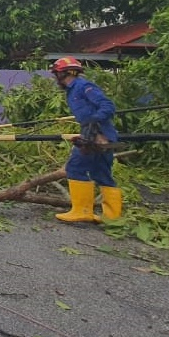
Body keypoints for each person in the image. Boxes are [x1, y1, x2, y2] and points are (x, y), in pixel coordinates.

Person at [50, 56, 122, 223]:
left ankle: (81, 211)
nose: (54, 78)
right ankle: (112, 217)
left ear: (63, 73)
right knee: (101, 173)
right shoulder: (72, 90)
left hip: (97, 135)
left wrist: (92, 122)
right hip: (96, 134)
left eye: (55, 74)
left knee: (75, 167)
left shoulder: (83, 86)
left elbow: (108, 106)